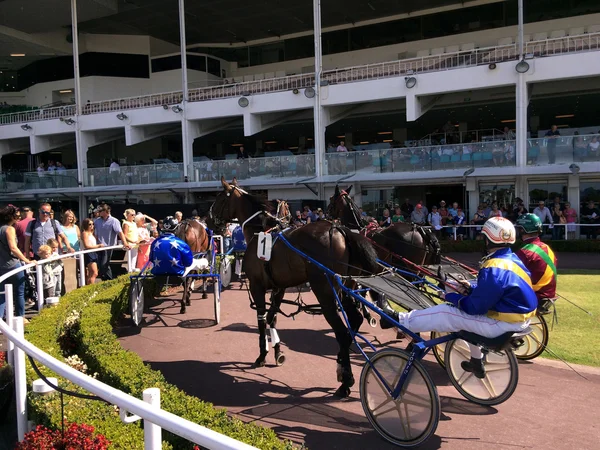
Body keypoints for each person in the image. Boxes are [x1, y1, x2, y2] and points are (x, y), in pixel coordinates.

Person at [394, 217, 537, 378]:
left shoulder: (494, 267)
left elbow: (474, 308)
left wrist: (452, 297)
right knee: (466, 320)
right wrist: (471, 286)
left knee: (446, 312)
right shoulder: (512, 260)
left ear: (488, 239)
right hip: (518, 321)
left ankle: (401, 320)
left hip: (502, 325)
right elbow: (499, 288)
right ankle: (476, 360)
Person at [514, 214, 558, 314]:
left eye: (519, 228)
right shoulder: (546, 247)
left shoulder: (525, 252)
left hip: (534, 297)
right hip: (549, 294)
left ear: (523, 230)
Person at [0, 205, 34, 321]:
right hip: (13, 265)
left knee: (1, 295)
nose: (19, 218)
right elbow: (13, 248)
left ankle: (1, 322)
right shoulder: (9, 229)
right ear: (11, 217)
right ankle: (20, 317)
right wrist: (27, 260)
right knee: (19, 293)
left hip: (1, 266)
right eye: (17, 216)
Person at [93, 204, 129, 280]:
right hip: (98, 247)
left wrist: (125, 243)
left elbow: (120, 232)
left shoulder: (114, 221)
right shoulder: (97, 221)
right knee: (100, 265)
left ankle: (109, 280)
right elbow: (94, 234)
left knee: (104, 264)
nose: (99, 212)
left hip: (109, 247)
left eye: (100, 211)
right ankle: (106, 280)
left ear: (106, 211)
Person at [80, 218, 104, 285]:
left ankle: (89, 287)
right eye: (89, 224)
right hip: (88, 253)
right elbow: (86, 246)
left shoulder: (91, 233)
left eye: (92, 224)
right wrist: (98, 246)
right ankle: (90, 288)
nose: (91, 225)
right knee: (94, 272)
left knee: (92, 273)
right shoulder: (85, 233)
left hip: (94, 252)